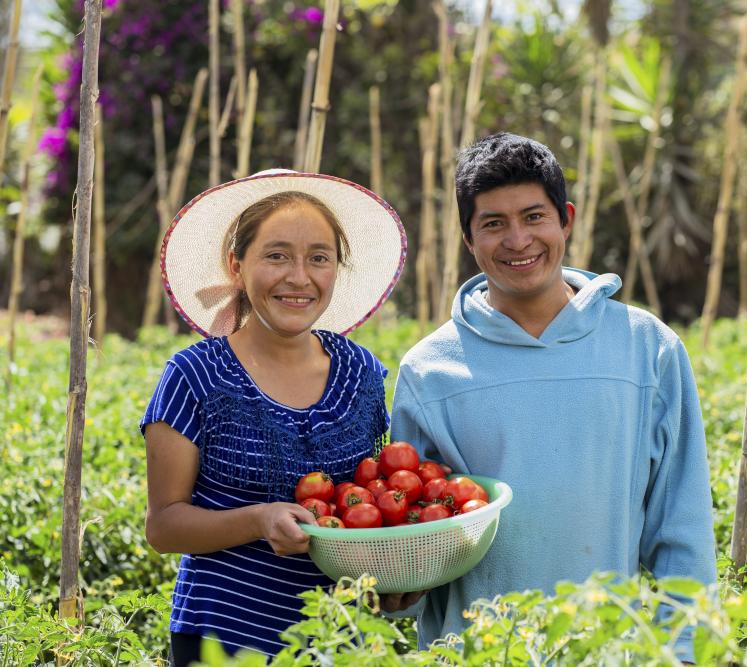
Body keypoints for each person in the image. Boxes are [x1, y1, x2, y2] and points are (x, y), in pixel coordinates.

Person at [389, 133, 716, 663]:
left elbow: (682, 525)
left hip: (608, 652)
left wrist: (684, 648)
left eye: (533, 217)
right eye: (493, 223)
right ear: (468, 239)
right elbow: (413, 529)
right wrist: (397, 588)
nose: (518, 240)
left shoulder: (645, 348)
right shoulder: (430, 369)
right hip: (473, 653)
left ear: (566, 218)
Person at [141, 169, 406, 664]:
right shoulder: (195, 376)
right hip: (222, 640)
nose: (299, 277)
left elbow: (368, 506)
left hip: (335, 641)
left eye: (319, 258)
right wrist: (259, 520)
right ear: (236, 266)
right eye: (277, 255)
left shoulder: (361, 374)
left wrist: (392, 580)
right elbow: (164, 526)